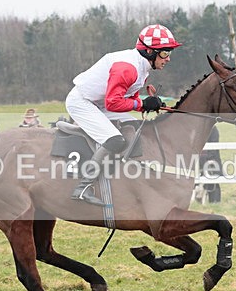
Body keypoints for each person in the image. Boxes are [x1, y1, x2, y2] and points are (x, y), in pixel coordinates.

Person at [65, 23, 181, 205]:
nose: (168, 59)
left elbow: (128, 98)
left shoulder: (143, 68)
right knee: (114, 140)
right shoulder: (128, 68)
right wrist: (142, 103)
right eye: (165, 53)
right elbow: (113, 102)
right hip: (83, 102)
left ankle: (123, 177)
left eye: (169, 53)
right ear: (150, 52)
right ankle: (83, 187)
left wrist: (147, 105)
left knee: (132, 126)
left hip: (100, 102)